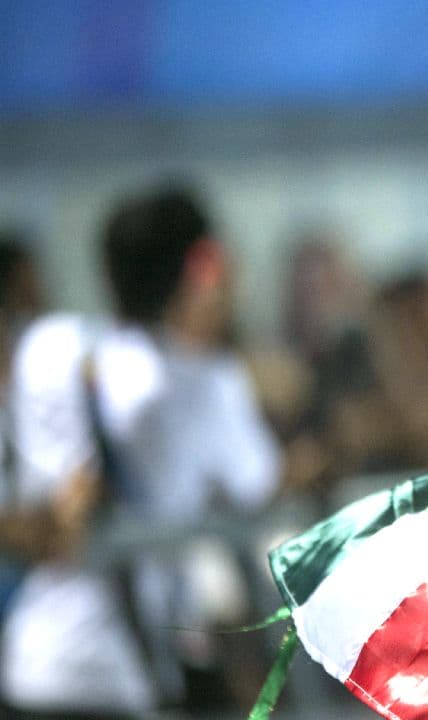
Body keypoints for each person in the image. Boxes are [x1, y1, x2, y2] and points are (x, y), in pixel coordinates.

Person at [1, 186, 282, 717]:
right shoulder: (205, 385)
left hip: (36, 661)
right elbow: (258, 483)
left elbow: (49, 501)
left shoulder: (53, 346)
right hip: (123, 674)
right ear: (204, 268)